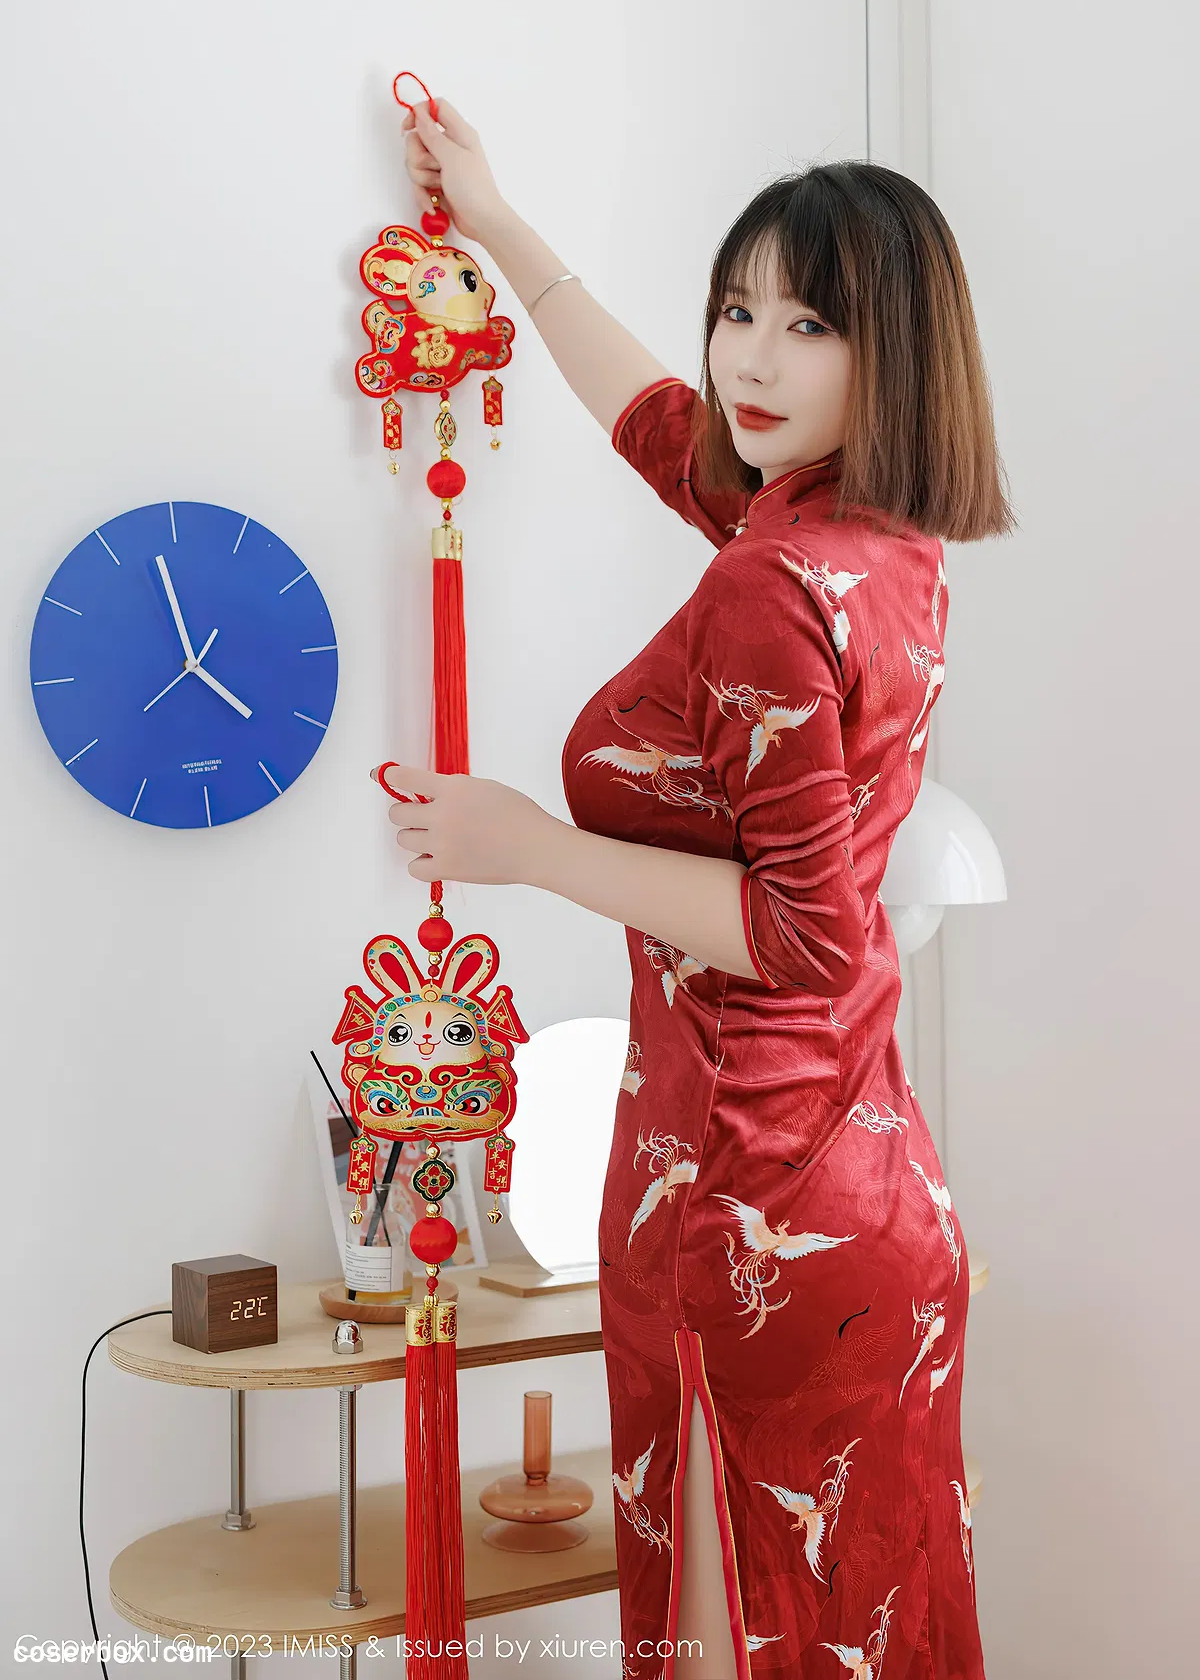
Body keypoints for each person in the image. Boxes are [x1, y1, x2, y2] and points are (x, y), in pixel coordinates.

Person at [385, 96, 1015, 1680]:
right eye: (740, 309)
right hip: (869, 1191)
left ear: (891, 353)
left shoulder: (767, 586)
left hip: (748, 1203)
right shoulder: (875, 538)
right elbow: (659, 418)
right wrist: (496, 221)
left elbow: (804, 937)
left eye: (809, 324)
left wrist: (526, 846)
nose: (753, 357)